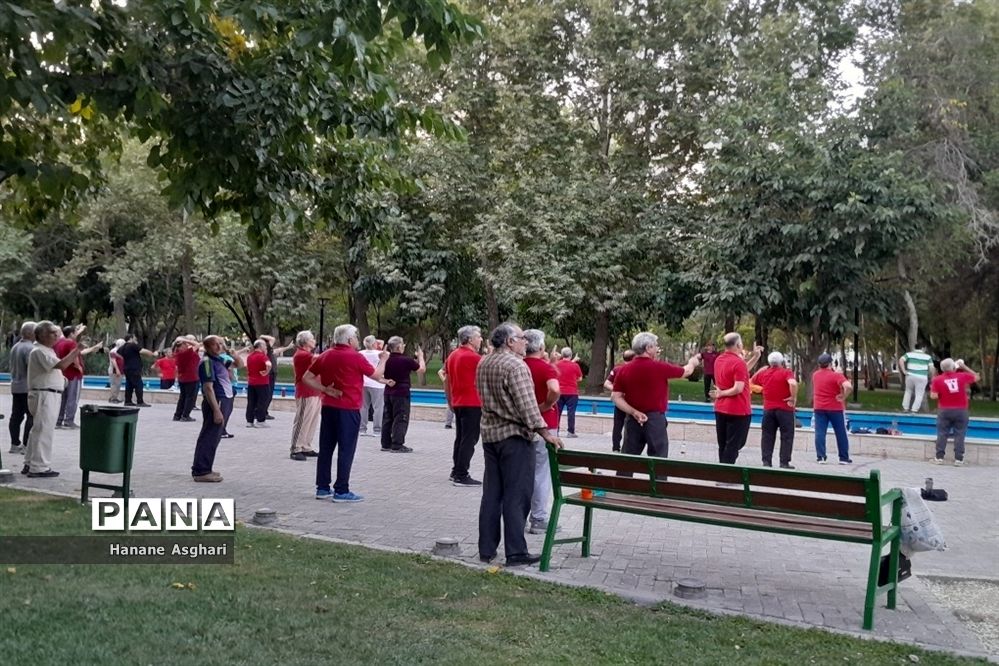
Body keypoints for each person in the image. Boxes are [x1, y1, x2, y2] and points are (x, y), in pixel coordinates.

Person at [476, 323, 563, 566]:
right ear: (510, 341)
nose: (526, 342)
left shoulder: (484, 362)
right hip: (515, 438)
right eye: (522, 338)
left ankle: (487, 549)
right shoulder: (516, 365)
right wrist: (546, 434)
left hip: (490, 435)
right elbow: (528, 408)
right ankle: (515, 552)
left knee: (492, 494)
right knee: (517, 495)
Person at [302, 324, 388, 503]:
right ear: (349, 340)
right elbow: (377, 375)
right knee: (346, 449)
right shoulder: (354, 357)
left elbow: (306, 378)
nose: (357, 340)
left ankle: (323, 487)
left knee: (326, 448)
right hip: (348, 408)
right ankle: (341, 489)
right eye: (356, 337)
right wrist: (384, 359)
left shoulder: (326, 355)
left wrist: (324, 389)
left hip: (329, 407)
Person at [23, 321, 101, 478]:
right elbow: (61, 365)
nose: (56, 336)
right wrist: (77, 350)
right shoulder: (39, 351)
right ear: (43, 334)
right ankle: (39, 467)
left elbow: (55, 370)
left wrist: (61, 381)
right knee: (43, 431)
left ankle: (30, 462)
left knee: (38, 430)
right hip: (44, 395)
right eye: (53, 333)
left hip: (47, 393)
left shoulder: (46, 350)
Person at [611, 332, 700, 461]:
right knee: (659, 461)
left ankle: (623, 481)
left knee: (627, 461)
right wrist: (692, 362)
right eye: (655, 346)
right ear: (648, 348)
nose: (657, 349)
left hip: (633, 420)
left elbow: (616, 397)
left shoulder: (623, 370)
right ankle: (657, 482)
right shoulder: (659, 367)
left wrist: (634, 412)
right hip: (655, 421)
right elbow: (686, 371)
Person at [523, 329, 561, 535]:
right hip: (544, 424)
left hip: (520, 425)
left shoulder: (518, 365)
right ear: (541, 347)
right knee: (541, 472)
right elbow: (554, 389)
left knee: (524, 471)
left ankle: (520, 517)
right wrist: (545, 405)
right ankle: (538, 517)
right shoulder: (545, 369)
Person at [711, 333, 760, 464]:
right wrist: (722, 394)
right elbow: (738, 388)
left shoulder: (719, 360)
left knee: (724, 444)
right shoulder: (738, 363)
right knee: (734, 445)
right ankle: (727, 477)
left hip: (721, 408)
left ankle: (723, 472)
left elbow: (742, 371)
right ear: (738, 345)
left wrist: (756, 357)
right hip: (738, 410)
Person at [445, 325, 484, 487]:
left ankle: (456, 470)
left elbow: (447, 381)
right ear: (469, 339)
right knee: (469, 439)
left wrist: (450, 401)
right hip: (472, 402)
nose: (481, 339)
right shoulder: (474, 358)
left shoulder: (453, 355)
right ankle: (461, 474)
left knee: (461, 438)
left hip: (459, 402)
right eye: (479, 336)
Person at [191, 336, 233, 482]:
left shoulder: (219, 359)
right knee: (209, 435)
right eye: (216, 344)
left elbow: (239, 364)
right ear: (208, 346)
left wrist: (231, 351)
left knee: (214, 436)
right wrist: (216, 410)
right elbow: (208, 388)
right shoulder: (207, 362)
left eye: (221, 344)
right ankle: (201, 470)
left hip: (224, 399)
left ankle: (205, 467)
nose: (219, 347)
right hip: (217, 401)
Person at [750, 351, 798, 468]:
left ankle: (766, 461)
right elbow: (793, 383)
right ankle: (784, 462)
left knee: (767, 435)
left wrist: (761, 372)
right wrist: (793, 397)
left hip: (768, 409)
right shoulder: (786, 372)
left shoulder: (765, 373)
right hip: (785, 409)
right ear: (782, 361)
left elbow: (751, 381)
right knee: (787, 435)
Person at [929, 358, 980, 466]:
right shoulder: (962, 376)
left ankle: (939, 458)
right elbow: (977, 377)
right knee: (960, 434)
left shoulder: (937, 380)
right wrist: (963, 366)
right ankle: (959, 459)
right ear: (953, 367)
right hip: (961, 410)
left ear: (942, 369)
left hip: (944, 410)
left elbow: (933, 396)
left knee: (942, 433)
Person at [380, 336, 426, 453]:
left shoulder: (386, 360)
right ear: (399, 347)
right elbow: (421, 369)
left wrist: (386, 381)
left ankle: (385, 443)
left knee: (388, 417)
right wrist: (420, 357)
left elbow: (378, 374)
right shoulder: (406, 360)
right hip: (401, 392)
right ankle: (397, 443)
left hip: (388, 392)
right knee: (401, 417)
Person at [812, 352, 853, 464]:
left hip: (819, 407)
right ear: (830, 364)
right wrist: (844, 396)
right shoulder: (836, 375)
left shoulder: (815, 375)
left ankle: (821, 457)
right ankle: (843, 458)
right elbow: (848, 386)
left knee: (820, 432)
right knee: (840, 432)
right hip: (835, 407)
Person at [289, 330, 321, 461]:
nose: (314, 341)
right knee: (302, 420)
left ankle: (306, 445)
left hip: (315, 391)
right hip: (305, 391)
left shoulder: (307, 354)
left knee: (312, 420)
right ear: (306, 341)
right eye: (312, 339)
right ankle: (295, 447)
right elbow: (318, 359)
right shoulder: (301, 355)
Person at [55, 324, 94, 429]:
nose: (76, 334)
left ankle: (58, 420)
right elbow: (74, 355)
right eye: (75, 332)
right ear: (71, 334)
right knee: (72, 398)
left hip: (63, 374)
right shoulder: (71, 343)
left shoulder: (59, 342)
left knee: (63, 398)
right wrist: (79, 367)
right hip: (73, 374)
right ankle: (69, 420)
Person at [8, 321, 36, 455]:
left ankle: (14, 443)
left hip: (16, 386)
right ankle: (26, 445)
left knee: (16, 416)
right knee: (31, 416)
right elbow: (31, 368)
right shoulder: (30, 348)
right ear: (31, 333)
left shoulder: (16, 346)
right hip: (27, 387)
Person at [603, 349, 635, 452]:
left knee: (618, 424)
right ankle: (628, 448)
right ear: (634, 358)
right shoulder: (634, 370)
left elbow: (607, 383)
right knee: (630, 425)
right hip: (630, 402)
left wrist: (616, 390)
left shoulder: (617, 369)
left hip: (619, 402)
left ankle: (616, 448)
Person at [359, 335, 386, 437]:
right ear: (375, 344)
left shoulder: (360, 353)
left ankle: (362, 429)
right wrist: (379, 344)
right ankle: (377, 430)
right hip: (377, 383)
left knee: (363, 407)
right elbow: (385, 351)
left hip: (364, 383)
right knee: (378, 407)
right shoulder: (380, 353)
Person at [117, 334, 155, 406]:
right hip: (134, 368)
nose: (136, 340)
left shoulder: (122, 347)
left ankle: (128, 401)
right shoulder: (132, 345)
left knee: (129, 385)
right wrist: (153, 354)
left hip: (126, 368)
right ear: (131, 338)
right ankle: (140, 401)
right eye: (135, 338)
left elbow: (118, 353)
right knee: (139, 384)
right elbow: (143, 351)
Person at [555, 348, 583, 438]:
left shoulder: (556, 364)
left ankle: (556, 431)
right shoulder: (575, 366)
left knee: (557, 412)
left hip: (559, 391)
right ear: (570, 355)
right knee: (571, 412)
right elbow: (580, 378)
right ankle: (570, 432)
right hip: (572, 392)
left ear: (562, 355)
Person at [244, 339, 272, 428]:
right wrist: (267, 372)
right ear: (260, 346)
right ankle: (260, 420)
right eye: (264, 345)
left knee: (251, 401)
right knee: (262, 401)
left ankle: (249, 420)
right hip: (262, 382)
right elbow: (269, 364)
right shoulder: (262, 356)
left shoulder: (250, 356)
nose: (265, 347)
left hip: (251, 382)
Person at [898, 346, 935, 413]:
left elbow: (901, 359)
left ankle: (905, 408)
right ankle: (914, 410)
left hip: (910, 375)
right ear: (923, 348)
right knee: (919, 394)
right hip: (922, 377)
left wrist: (904, 370)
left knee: (908, 391)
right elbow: (932, 368)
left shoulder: (909, 354)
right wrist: (930, 376)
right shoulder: (928, 357)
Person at [172, 337, 201, 420]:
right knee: (190, 397)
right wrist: (185, 340)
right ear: (181, 346)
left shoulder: (177, 353)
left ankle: (177, 415)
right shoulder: (186, 353)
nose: (187, 345)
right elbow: (197, 345)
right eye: (185, 344)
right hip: (191, 377)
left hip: (183, 378)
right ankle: (185, 415)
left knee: (183, 397)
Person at [107, 338, 125, 403]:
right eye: (123, 344)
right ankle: (113, 398)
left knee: (118, 385)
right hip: (114, 371)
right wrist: (117, 370)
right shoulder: (113, 351)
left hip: (120, 370)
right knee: (114, 385)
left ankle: (115, 398)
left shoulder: (120, 351)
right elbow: (113, 361)